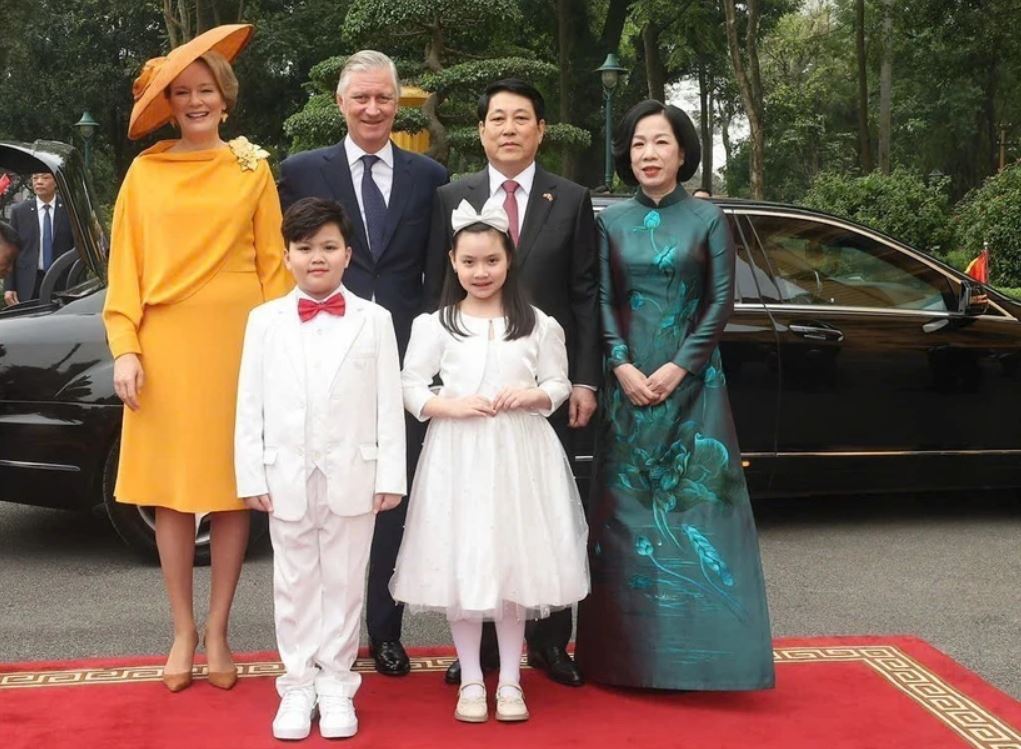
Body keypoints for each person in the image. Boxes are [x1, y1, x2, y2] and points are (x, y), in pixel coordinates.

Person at [102, 24, 291, 693]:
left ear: (224, 96)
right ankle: (181, 626)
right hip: (166, 347)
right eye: (181, 92)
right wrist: (124, 345)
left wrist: (285, 350)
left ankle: (219, 629)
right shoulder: (145, 172)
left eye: (205, 88)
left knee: (235, 492)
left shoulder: (251, 166)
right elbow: (122, 267)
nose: (195, 100)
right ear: (168, 104)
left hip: (243, 345)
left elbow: (276, 266)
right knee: (174, 497)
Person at [574, 100, 774, 690]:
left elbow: (720, 303)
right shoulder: (608, 221)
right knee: (626, 517)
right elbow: (601, 301)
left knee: (699, 513)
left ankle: (708, 661)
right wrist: (621, 365)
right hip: (625, 389)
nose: (649, 155)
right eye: (638, 144)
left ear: (683, 152)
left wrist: (680, 369)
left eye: (660, 143)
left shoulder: (708, 219)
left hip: (695, 390)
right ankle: (622, 658)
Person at [278, 50, 448, 677]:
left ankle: (384, 630)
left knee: (389, 498)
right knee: (323, 499)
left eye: (384, 99)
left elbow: (436, 273)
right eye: (361, 98)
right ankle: (323, 638)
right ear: (341, 104)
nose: (373, 109)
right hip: (323, 358)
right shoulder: (299, 171)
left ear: (397, 102)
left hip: (403, 359)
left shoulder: (429, 176)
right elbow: (287, 262)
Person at [425, 78, 598, 688]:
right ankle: (483, 655)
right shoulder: (452, 195)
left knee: (539, 517)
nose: (508, 128)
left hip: (537, 383)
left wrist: (584, 380)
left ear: (540, 129)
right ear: (481, 129)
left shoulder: (571, 198)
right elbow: (433, 288)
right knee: (475, 517)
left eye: (520, 117)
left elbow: (584, 293)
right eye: (496, 118)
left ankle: (551, 645)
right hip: (471, 391)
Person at [393, 198, 589, 723]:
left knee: (511, 565)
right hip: (458, 454)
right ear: (453, 264)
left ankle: (510, 680)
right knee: (465, 562)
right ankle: (471, 679)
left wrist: (533, 397)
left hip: (519, 456)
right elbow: (410, 385)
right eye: (470, 262)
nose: (481, 272)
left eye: (492, 261)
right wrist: (448, 405)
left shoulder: (538, 324)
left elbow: (558, 383)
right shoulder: (435, 325)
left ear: (509, 262)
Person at [235, 197, 406, 741]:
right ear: (286, 255)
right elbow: (249, 403)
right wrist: (251, 474)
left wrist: (390, 475)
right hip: (284, 470)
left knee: (345, 580)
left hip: (355, 471)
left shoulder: (375, 320)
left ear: (348, 255)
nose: (317, 258)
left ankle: (336, 682)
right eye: (305, 248)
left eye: (328, 248)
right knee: (294, 581)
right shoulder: (262, 321)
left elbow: (387, 403)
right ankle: (296, 683)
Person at [3, 172, 74, 306]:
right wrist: (9, 287)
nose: (39, 182)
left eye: (45, 178)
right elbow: (11, 250)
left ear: (56, 182)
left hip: (62, 281)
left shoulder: (69, 210)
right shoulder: (20, 211)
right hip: (28, 282)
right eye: (35, 178)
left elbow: (77, 247)